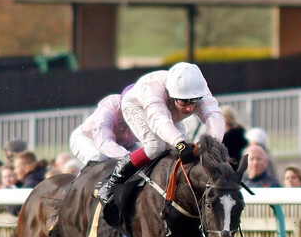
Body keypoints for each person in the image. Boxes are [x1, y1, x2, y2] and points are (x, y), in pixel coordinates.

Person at [94, 62, 225, 206]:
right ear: (172, 94)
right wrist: (179, 143)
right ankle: (112, 183)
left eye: (194, 102)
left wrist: (215, 144)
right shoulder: (153, 88)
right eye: (185, 102)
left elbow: (214, 116)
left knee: (176, 153)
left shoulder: (200, 89)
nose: (190, 108)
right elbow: (159, 120)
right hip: (138, 106)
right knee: (156, 146)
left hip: (169, 111)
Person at [70, 94, 139, 166]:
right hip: (89, 139)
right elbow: (104, 143)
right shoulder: (109, 109)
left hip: (124, 145)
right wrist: (128, 157)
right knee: (100, 158)